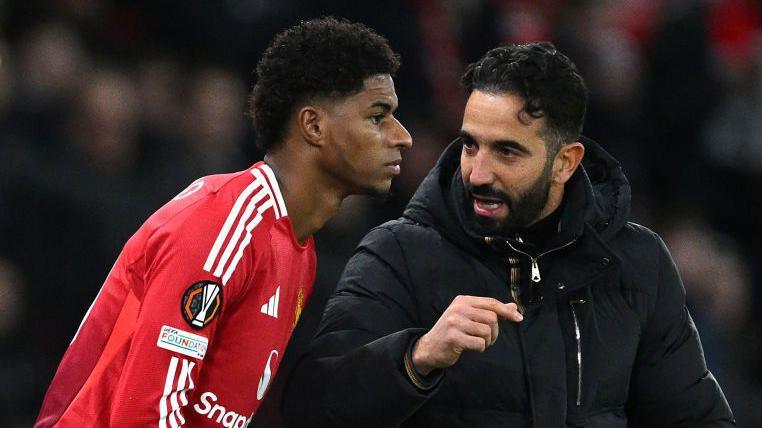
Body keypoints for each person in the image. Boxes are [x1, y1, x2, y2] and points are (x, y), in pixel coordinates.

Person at [282, 42, 735, 427]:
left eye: (507, 152)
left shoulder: (636, 262)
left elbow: (694, 417)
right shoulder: (397, 255)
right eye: (470, 145)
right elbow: (312, 410)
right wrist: (415, 357)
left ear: (565, 162)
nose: (478, 173)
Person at [34, 17, 412, 427]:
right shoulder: (224, 224)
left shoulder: (298, 253)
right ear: (314, 125)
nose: (402, 136)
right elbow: (145, 415)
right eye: (378, 116)